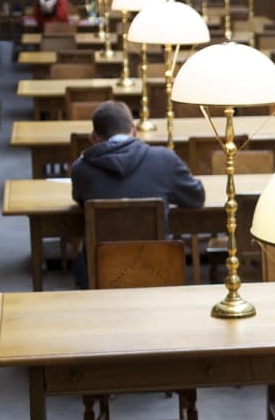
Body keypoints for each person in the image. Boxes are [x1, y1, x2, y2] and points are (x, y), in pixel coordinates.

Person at [70, 101, 206, 287]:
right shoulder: (164, 160)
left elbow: (79, 199)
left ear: (94, 137)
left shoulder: (81, 169)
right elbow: (196, 198)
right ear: (134, 130)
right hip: (156, 268)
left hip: (101, 269)